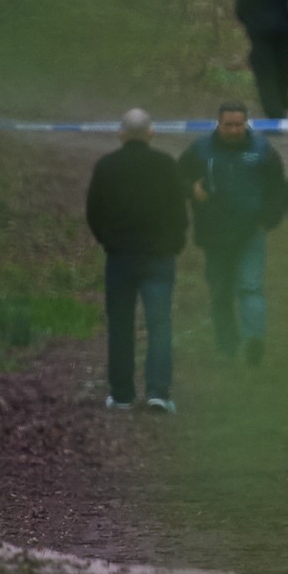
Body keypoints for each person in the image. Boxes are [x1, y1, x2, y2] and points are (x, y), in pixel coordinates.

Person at [86, 108, 188, 413]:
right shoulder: (166, 165)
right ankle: (158, 391)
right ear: (151, 133)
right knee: (159, 324)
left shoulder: (106, 167)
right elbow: (179, 212)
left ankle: (122, 394)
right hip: (158, 256)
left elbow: (94, 213)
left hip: (120, 257)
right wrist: (174, 243)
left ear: (120, 134)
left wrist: (108, 241)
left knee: (120, 325)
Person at [178, 101, 287, 364]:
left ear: (246, 123)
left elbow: (279, 188)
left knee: (250, 287)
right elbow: (175, 176)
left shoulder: (262, 150)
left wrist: (268, 220)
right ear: (219, 123)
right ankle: (226, 346)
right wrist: (191, 189)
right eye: (229, 125)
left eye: (239, 124)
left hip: (251, 232)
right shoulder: (200, 149)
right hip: (214, 234)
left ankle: (253, 342)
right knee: (220, 292)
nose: (234, 130)